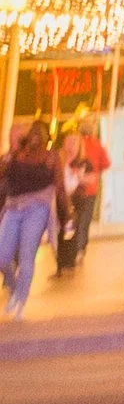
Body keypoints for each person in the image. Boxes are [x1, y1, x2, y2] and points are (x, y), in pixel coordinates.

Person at [1, 120, 57, 318]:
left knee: (26, 257)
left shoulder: (50, 156)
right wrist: (9, 158)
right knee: (2, 256)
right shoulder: (13, 156)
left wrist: (65, 216)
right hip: (14, 208)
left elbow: (58, 185)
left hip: (37, 208)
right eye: (11, 134)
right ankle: (15, 289)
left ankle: (21, 302)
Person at [52, 115, 103, 270]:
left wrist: (78, 177)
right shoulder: (58, 161)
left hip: (78, 201)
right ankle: (60, 264)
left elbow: (93, 178)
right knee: (59, 232)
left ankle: (71, 260)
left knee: (76, 229)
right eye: (68, 142)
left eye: (74, 143)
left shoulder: (84, 162)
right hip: (61, 202)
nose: (70, 146)